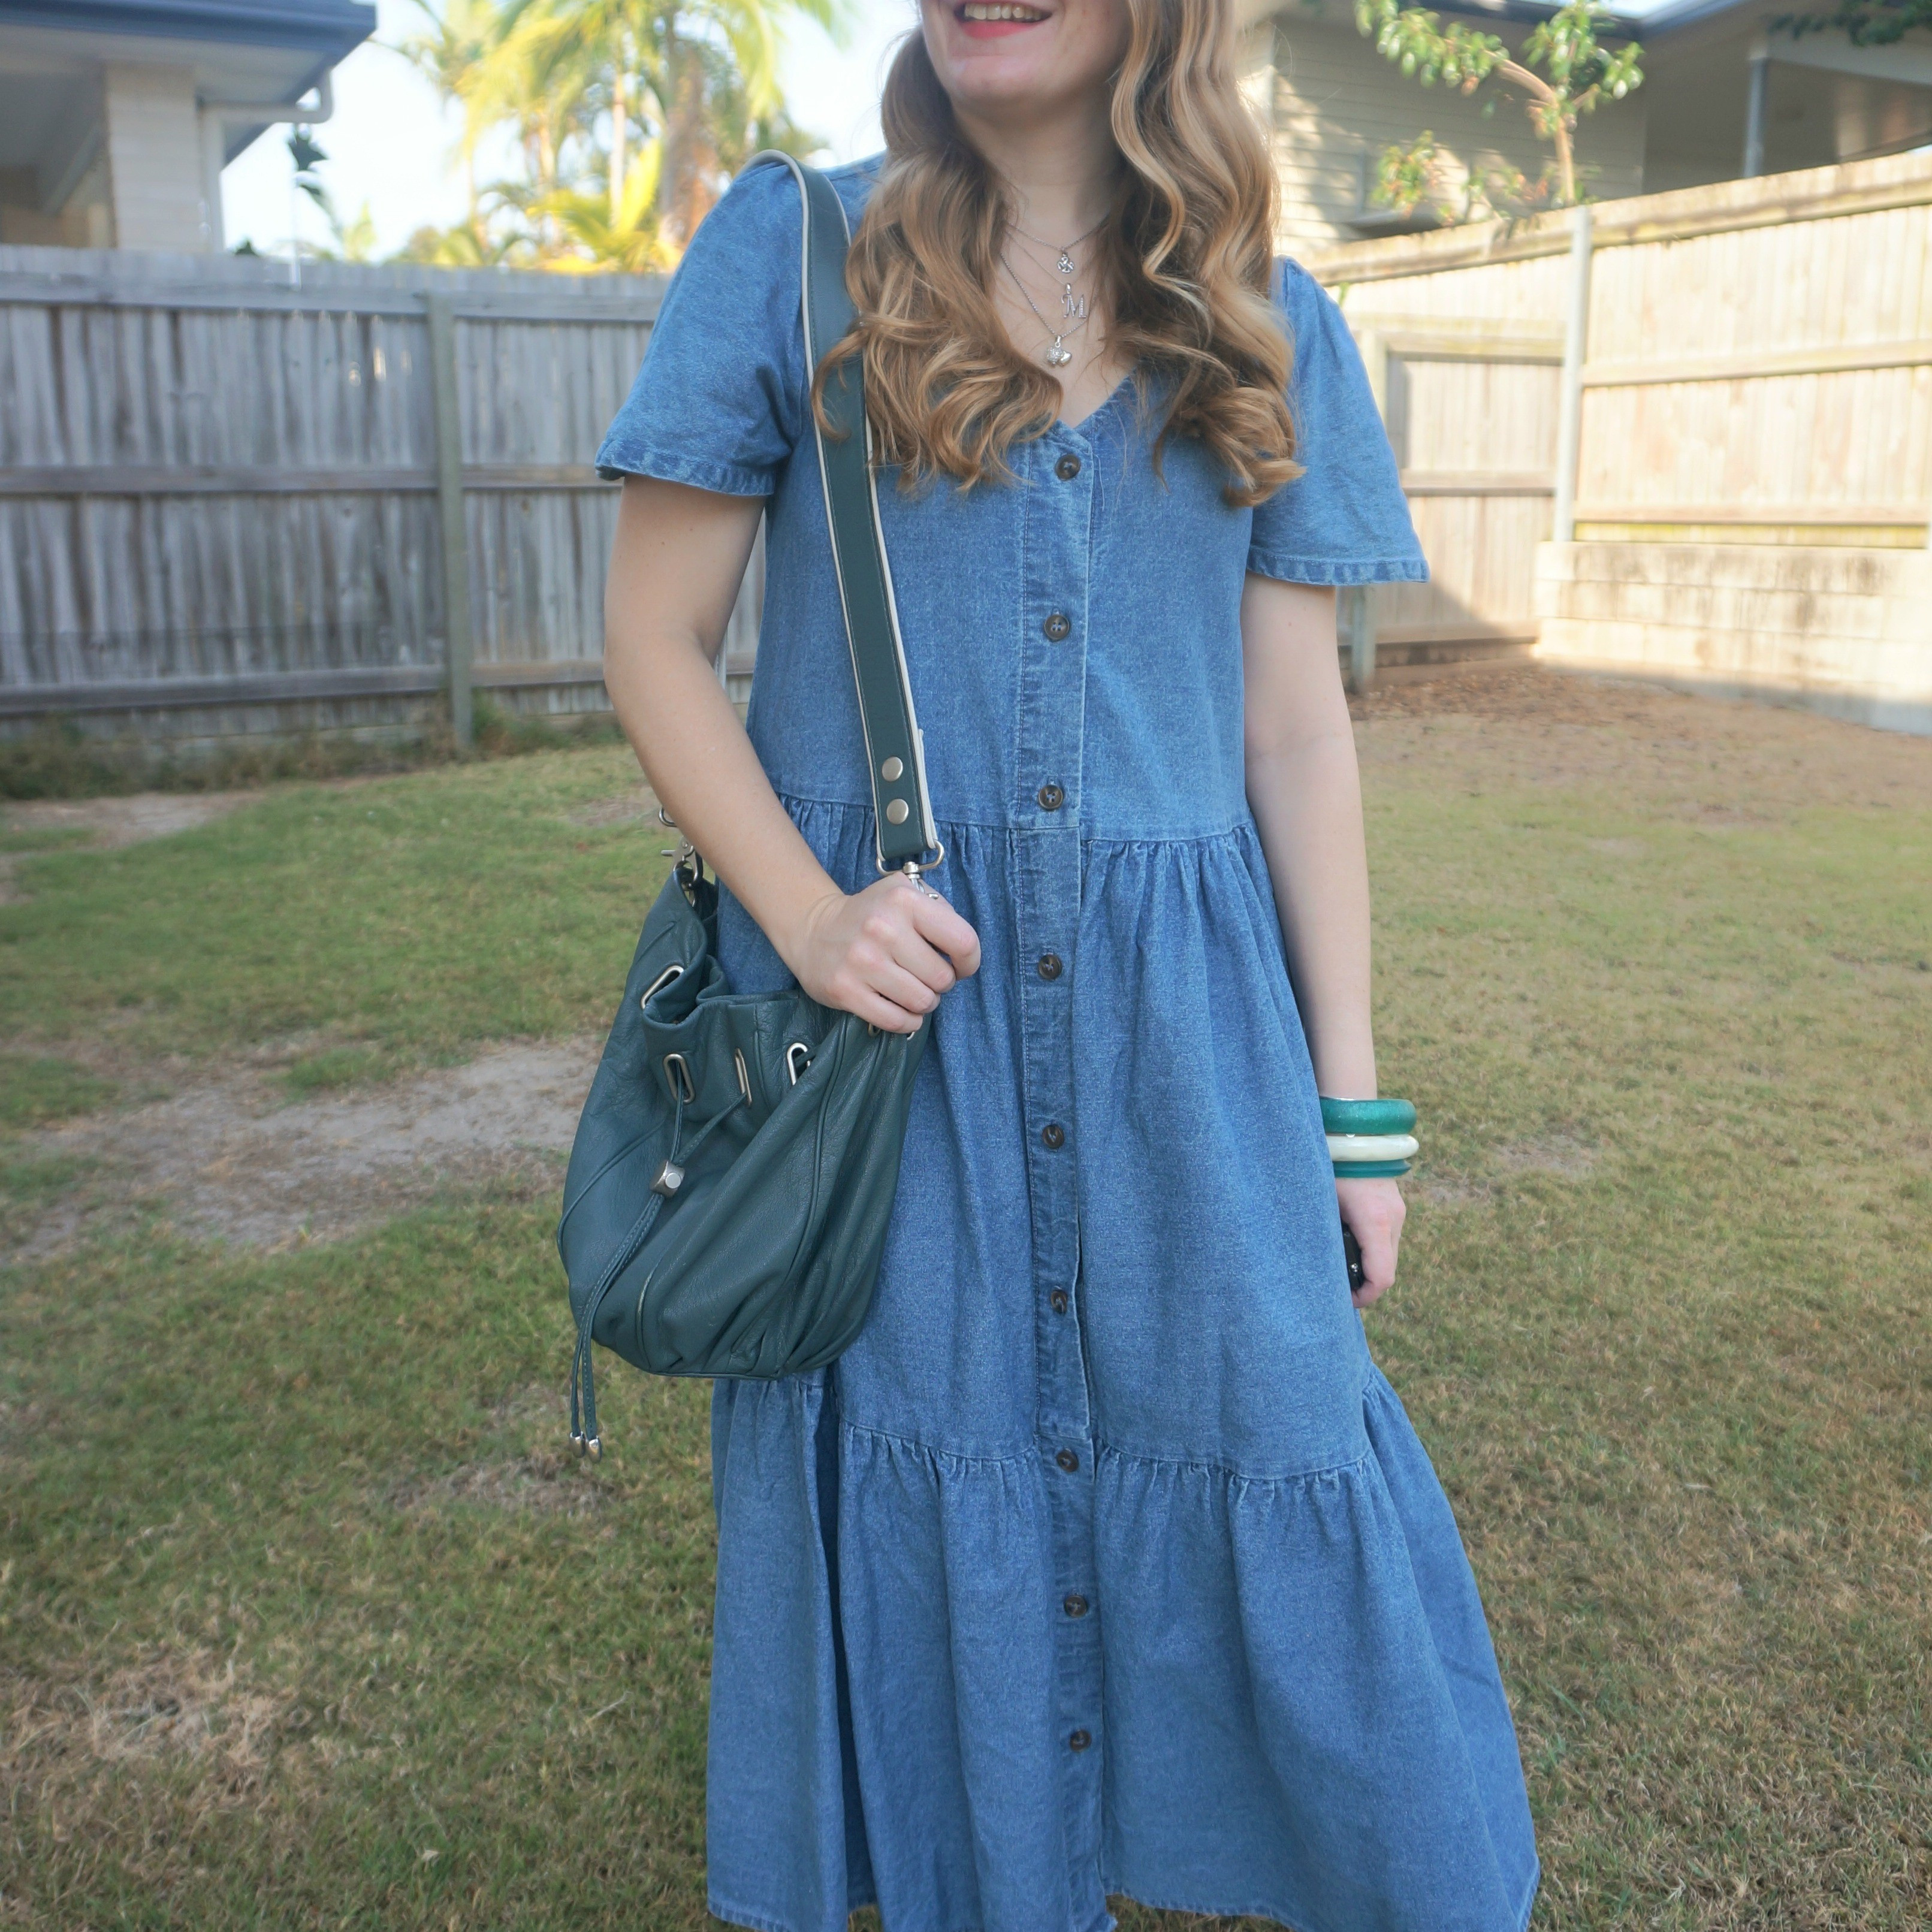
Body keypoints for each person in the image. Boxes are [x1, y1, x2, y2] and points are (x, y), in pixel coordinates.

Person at [594, 0, 1538, 1922]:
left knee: (1269, 1414)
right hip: (892, 1036)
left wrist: (1355, 1118)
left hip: (1188, 1047)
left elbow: (1295, 737)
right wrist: (810, 914)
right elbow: (650, 638)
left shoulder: (1271, 319)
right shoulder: (793, 253)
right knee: (927, 1427)